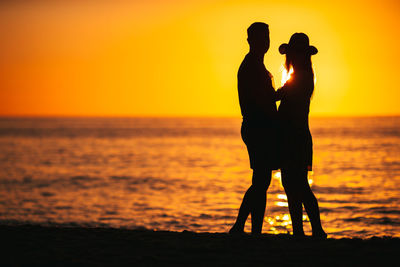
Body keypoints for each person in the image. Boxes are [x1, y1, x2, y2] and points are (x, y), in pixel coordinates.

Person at [229, 22, 280, 235]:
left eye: (266, 37)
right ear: (250, 41)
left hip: (260, 127)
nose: (264, 42)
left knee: (261, 180)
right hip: (257, 127)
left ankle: (251, 229)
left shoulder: (257, 64)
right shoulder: (251, 65)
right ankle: (241, 226)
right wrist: (282, 94)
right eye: (260, 38)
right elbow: (261, 100)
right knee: (261, 181)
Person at [276, 33, 327, 239]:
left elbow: (281, 98)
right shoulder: (301, 76)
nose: (293, 57)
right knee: (294, 184)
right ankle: (305, 230)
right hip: (295, 137)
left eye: (296, 53)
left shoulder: (301, 78)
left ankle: (312, 230)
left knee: (297, 185)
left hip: (294, 138)